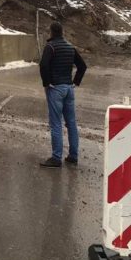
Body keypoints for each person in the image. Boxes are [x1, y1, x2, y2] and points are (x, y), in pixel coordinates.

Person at [39, 22, 87, 168]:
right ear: (62, 32)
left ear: (51, 32)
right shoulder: (70, 47)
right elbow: (82, 66)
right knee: (71, 123)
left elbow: (43, 65)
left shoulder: (50, 47)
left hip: (56, 89)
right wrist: (75, 82)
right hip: (68, 88)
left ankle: (56, 158)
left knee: (56, 124)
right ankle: (73, 156)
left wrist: (47, 83)